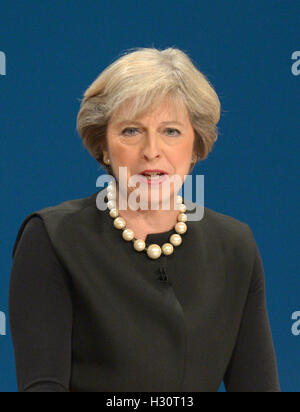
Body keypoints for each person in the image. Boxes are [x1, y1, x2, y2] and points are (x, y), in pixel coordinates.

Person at [9, 47, 281, 392]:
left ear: (195, 144)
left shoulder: (235, 246)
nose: (152, 150)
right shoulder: (53, 238)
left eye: (170, 131)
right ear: (103, 146)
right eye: (131, 131)